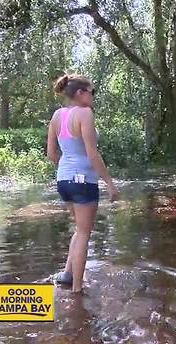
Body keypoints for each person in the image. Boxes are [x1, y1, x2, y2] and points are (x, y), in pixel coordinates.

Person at [46, 74, 118, 293]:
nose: (94, 96)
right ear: (80, 93)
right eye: (92, 92)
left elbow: (51, 154)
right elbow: (93, 154)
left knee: (79, 229)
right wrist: (109, 183)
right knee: (84, 233)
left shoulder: (57, 115)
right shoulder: (85, 114)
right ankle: (77, 290)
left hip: (64, 180)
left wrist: (67, 170)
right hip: (83, 181)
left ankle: (68, 274)